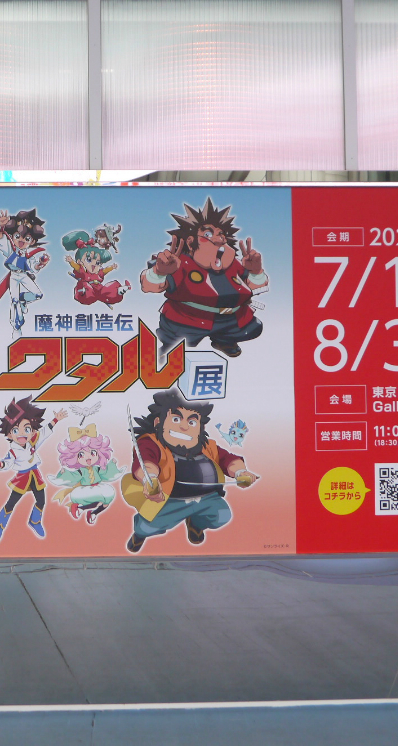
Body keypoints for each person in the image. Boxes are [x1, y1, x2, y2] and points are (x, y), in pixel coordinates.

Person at [121, 389, 257, 553]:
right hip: (169, 500)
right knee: (147, 527)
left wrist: (240, 472)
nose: (184, 427)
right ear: (158, 422)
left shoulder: (207, 446)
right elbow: (145, 461)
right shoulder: (151, 443)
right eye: (176, 419)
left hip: (206, 498)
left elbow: (227, 459)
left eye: (192, 422)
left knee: (222, 515)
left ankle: (195, 523)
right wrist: (150, 479)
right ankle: (139, 535)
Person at [140, 197, 268, 357]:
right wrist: (160, 272)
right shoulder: (178, 263)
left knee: (254, 328)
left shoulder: (233, 263)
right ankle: (169, 352)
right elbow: (149, 287)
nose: (218, 239)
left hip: (231, 319)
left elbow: (255, 286)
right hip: (188, 320)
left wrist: (256, 271)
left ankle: (224, 340)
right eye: (208, 234)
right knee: (177, 342)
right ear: (190, 241)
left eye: (221, 234)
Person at [0, 397, 66, 543]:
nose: (22, 433)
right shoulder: (13, 451)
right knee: (11, 503)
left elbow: (44, 432)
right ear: (9, 434)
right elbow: (7, 463)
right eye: (15, 430)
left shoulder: (32, 441)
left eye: (27, 429)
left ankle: (35, 521)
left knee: (41, 501)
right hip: (22, 478)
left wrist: (56, 420)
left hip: (35, 475)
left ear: (32, 430)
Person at [0, 209, 49, 336]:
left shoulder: (30, 254)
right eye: (17, 236)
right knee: (14, 301)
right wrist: (1, 226)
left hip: (24, 275)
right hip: (14, 276)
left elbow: (33, 267)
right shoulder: (11, 250)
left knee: (38, 295)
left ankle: (23, 299)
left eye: (27, 238)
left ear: (32, 241)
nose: (21, 240)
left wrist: (40, 264)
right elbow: (0, 240)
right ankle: (16, 326)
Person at [50, 423, 124, 524]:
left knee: (105, 502)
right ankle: (81, 509)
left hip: (99, 487)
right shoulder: (81, 471)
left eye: (93, 453)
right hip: (86, 490)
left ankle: (92, 513)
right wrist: (63, 473)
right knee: (99, 501)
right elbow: (73, 476)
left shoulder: (97, 469)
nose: (88, 457)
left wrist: (112, 464)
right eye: (81, 454)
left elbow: (106, 472)